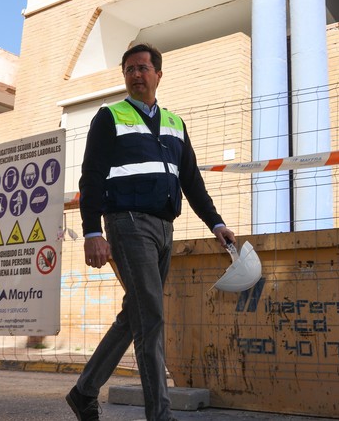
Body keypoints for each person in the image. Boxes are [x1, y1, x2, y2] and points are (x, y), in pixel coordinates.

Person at [66, 43, 235, 421]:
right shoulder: (109, 116)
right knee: (152, 316)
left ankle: (84, 391)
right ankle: (160, 414)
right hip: (126, 224)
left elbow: (191, 181)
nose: (136, 74)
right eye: (129, 69)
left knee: (138, 314)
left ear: (159, 74)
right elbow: (90, 177)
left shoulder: (175, 124)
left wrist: (217, 223)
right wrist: (92, 231)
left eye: (143, 68)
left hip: (163, 227)